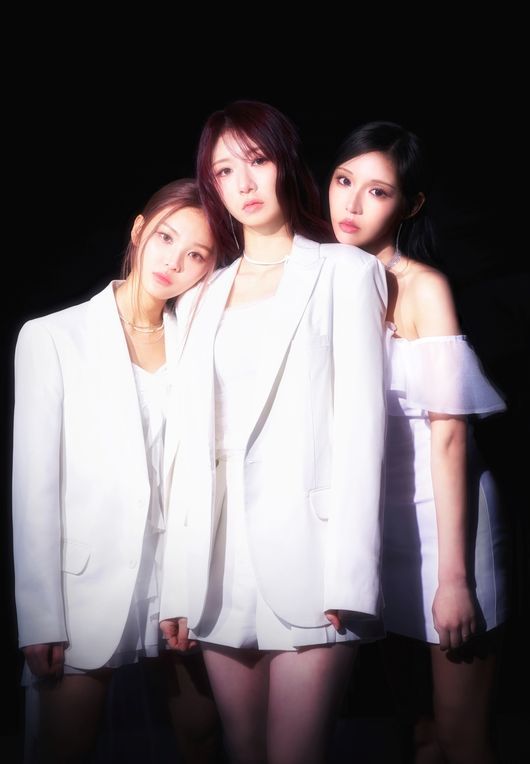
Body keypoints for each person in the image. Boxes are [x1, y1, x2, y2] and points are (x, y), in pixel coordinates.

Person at [159, 100, 388, 764]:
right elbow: (184, 450)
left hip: (313, 558)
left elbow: (362, 431)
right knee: (243, 750)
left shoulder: (346, 272)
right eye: (225, 171)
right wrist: (179, 585)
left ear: (284, 161)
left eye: (256, 161)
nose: (245, 183)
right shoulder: (197, 297)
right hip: (218, 564)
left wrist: (351, 577)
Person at [12, 178, 223, 763]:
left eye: (196, 255)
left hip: (178, 582)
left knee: (202, 737)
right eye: (166, 238)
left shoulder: (200, 345)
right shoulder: (53, 338)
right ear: (138, 230)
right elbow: (34, 490)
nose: (173, 262)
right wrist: (39, 618)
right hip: (86, 587)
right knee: (63, 747)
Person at [327, 121, 509, 763]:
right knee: (413, 731)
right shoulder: (322, 281)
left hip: (445, 528)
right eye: (343, 180)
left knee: (461, 738)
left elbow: (450, 437)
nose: (351, 203)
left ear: (410, 205)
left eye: (377, 191)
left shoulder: (424, 286)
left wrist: (454, 579)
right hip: (376, 531)